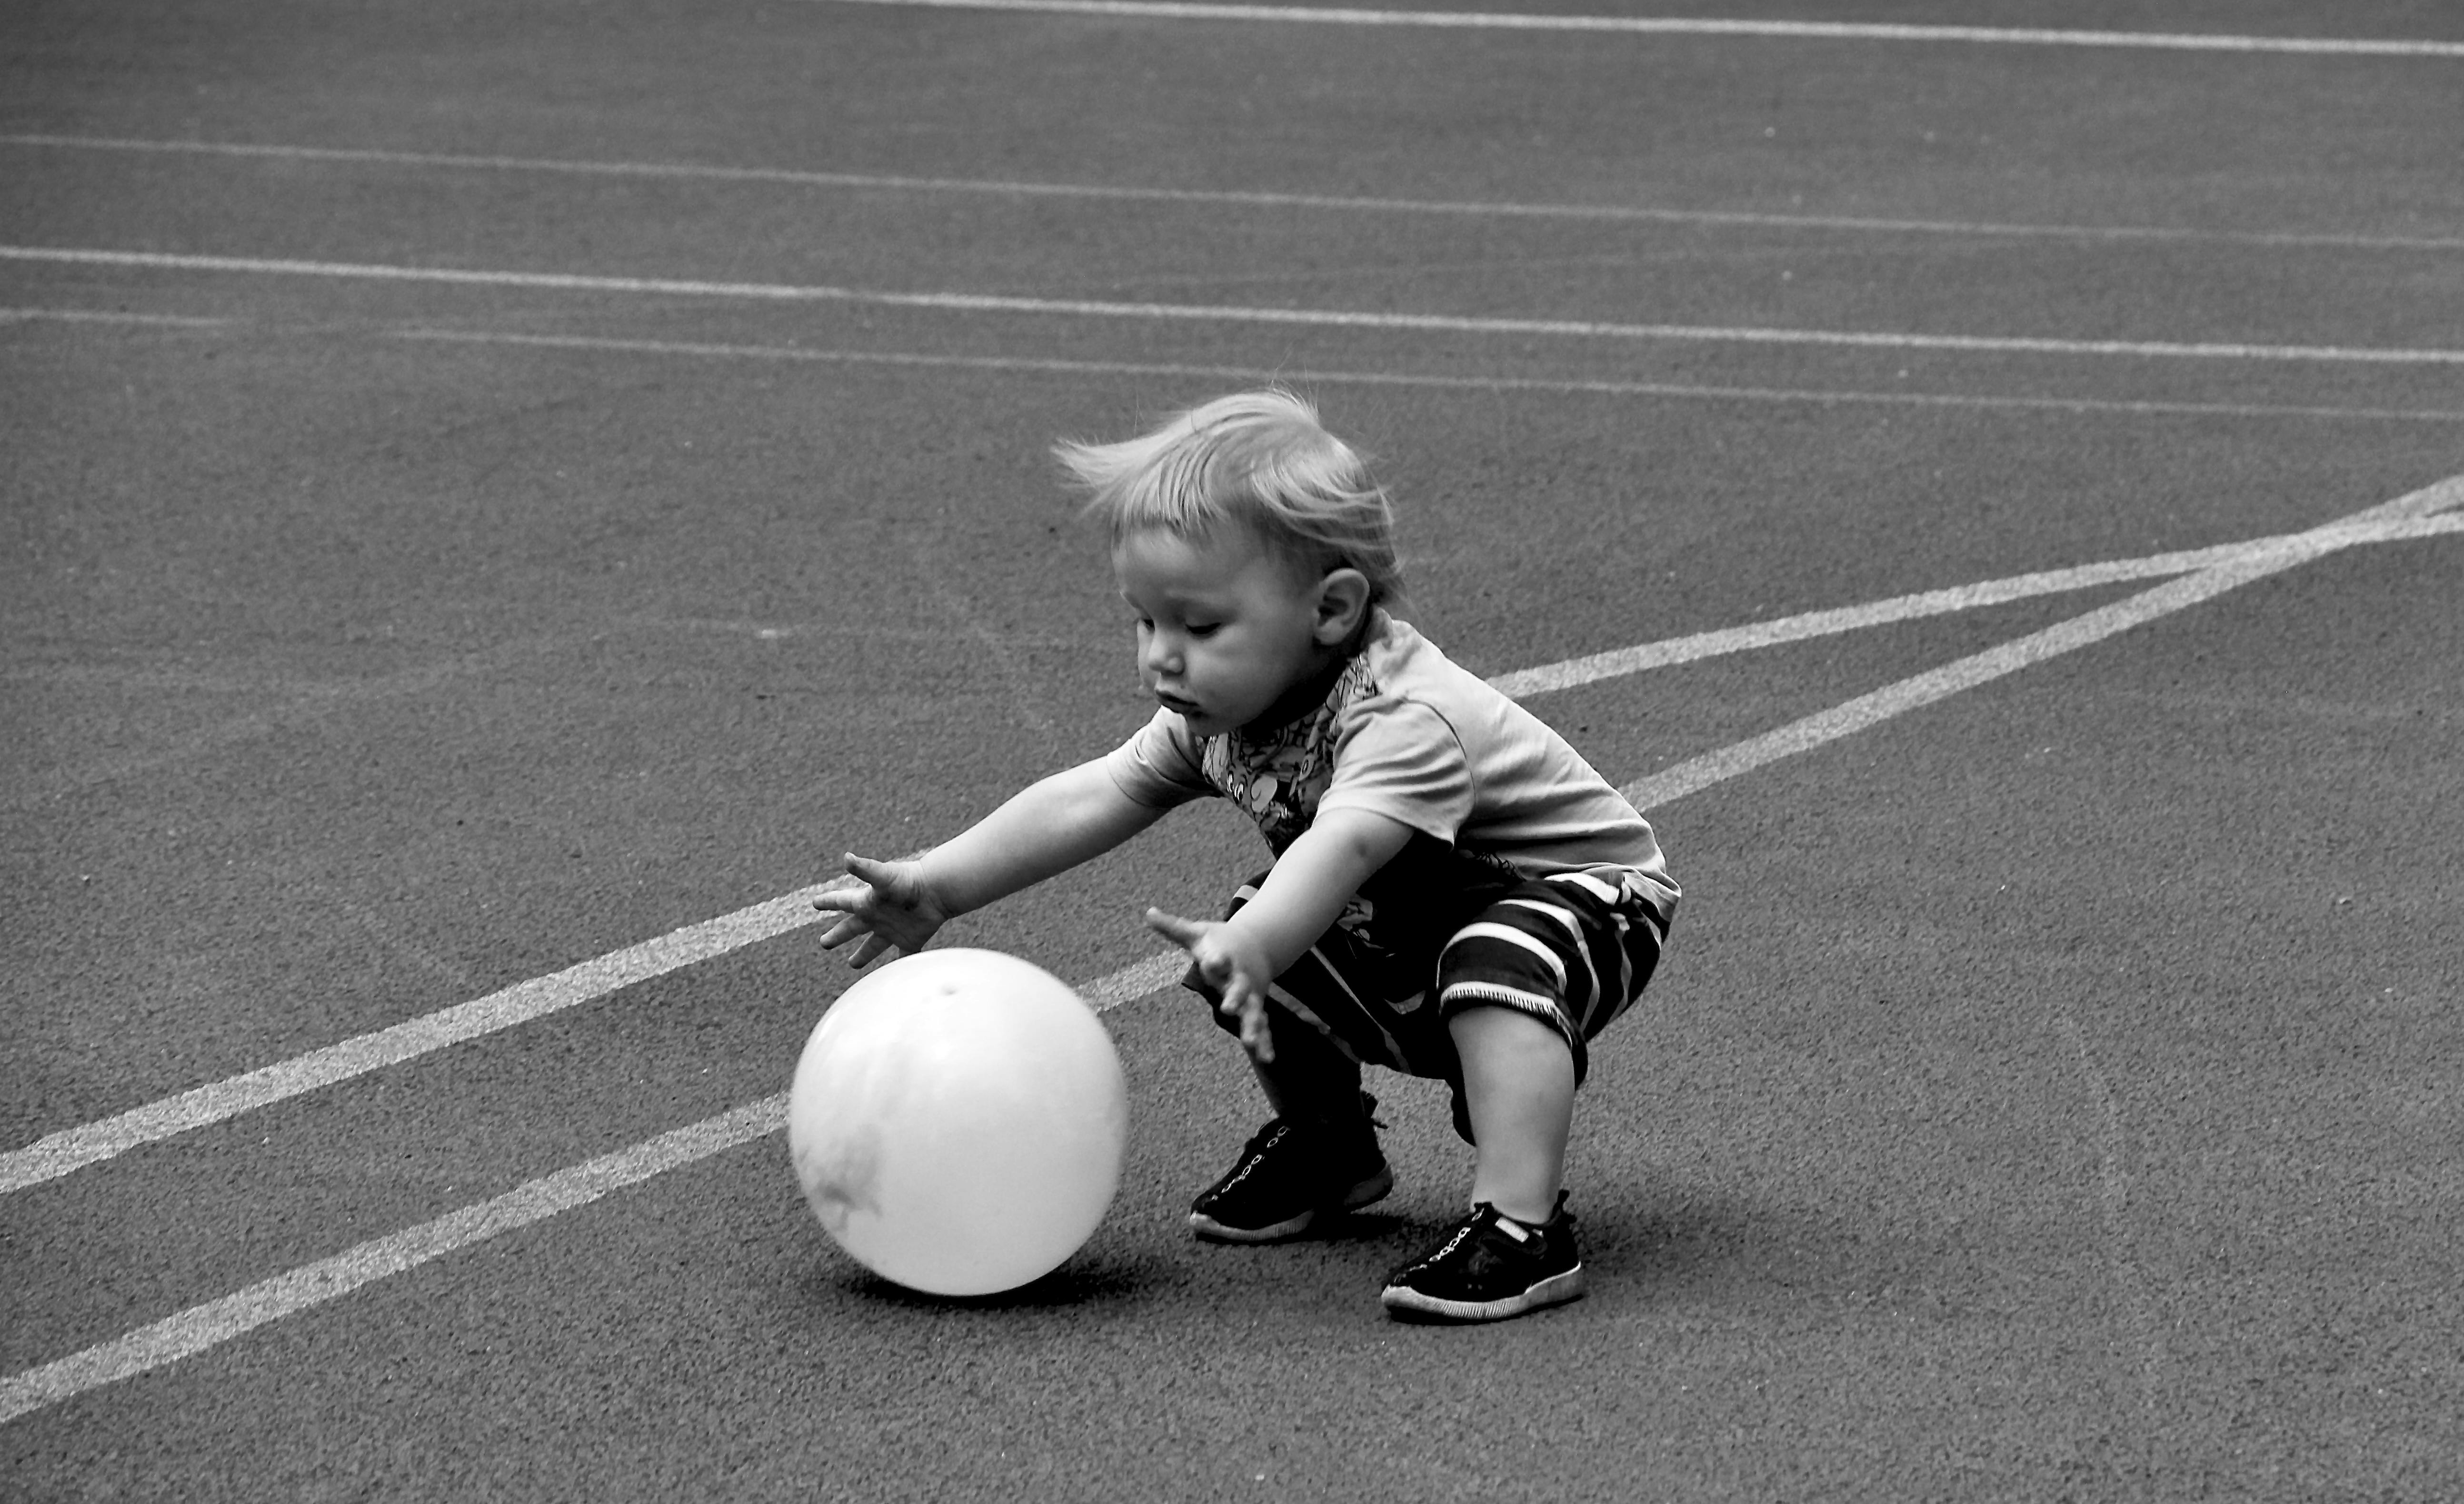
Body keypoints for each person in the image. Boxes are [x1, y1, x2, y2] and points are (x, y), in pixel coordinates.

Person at [812, 388, 1678, 1323]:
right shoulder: (1225, 712)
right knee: (1252, 937)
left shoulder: (1400, 716)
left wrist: (1258, 943)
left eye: (1198, 626)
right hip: (1429, 899)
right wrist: (940, 883)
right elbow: (1097, 792)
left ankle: (1521, 1223)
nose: (1160, 659)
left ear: (1331, 611)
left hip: (1583, 896)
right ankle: (1331, 1148)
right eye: (1144, 621)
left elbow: (1345, 843)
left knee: (1481, 965)